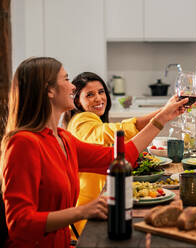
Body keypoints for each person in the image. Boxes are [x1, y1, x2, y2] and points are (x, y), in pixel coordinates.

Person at [0, 57, 187, 247]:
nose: (72, 87)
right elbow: (19, 224)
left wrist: (162, 118)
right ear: (49, 90)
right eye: (66, 79)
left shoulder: (63, 138)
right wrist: (83, 211)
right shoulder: (23, 143)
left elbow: (119, 156)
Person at [63, 72, 182, 237]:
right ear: (77, 101)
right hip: (89, 214)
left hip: (102, 203)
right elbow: (116, 134)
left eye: (101, 92)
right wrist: (163, 114)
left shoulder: (89, 120)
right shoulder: (81, 121)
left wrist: (165, 112)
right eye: (90, 95)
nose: (98, 98)